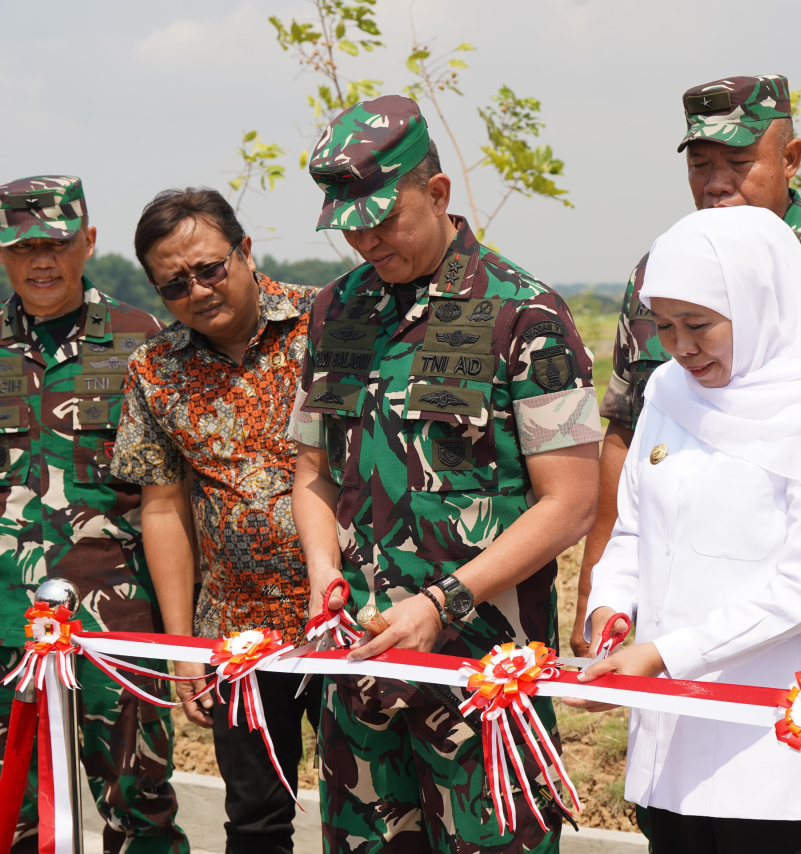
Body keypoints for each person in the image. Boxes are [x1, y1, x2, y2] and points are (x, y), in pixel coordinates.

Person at [573, 73, 801, 849]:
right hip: (670, 724)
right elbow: (632, 521)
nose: (681, 347)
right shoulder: (671, 382)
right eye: (665, 327)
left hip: (779, 730)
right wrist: (608, 609)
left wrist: (663, 653)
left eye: (700, 324)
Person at [287, 95, 601, 853]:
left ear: (437, 193)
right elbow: (313, 472)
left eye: (383, 219)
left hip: (482, 680)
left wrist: (442, 601)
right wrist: (324, 570)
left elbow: (572, 503)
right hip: (359, 677)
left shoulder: (525, 315)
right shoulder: (338, 312)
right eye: (350, 225)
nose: (366, 240)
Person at [111, 188, 320, 854]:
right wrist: (183, 652)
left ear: (245, 251)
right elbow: (163, 506)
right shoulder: (156, 369)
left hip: (349, 622)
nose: (197, 290)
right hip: (238, 636)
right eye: (174, 284)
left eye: (210, 269)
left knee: (372, 814)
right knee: (256, 822)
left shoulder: (330, 324)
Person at [0, 176, 188, 854]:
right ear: (2, 254)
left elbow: (173, 500)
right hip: (5, 625)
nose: (41, 262)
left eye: (57, 243)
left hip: (119, 627)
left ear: (89, 243)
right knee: (11, 812)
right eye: (23, 247)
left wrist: (179, 634)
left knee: (139, 811)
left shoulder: (147, 341)